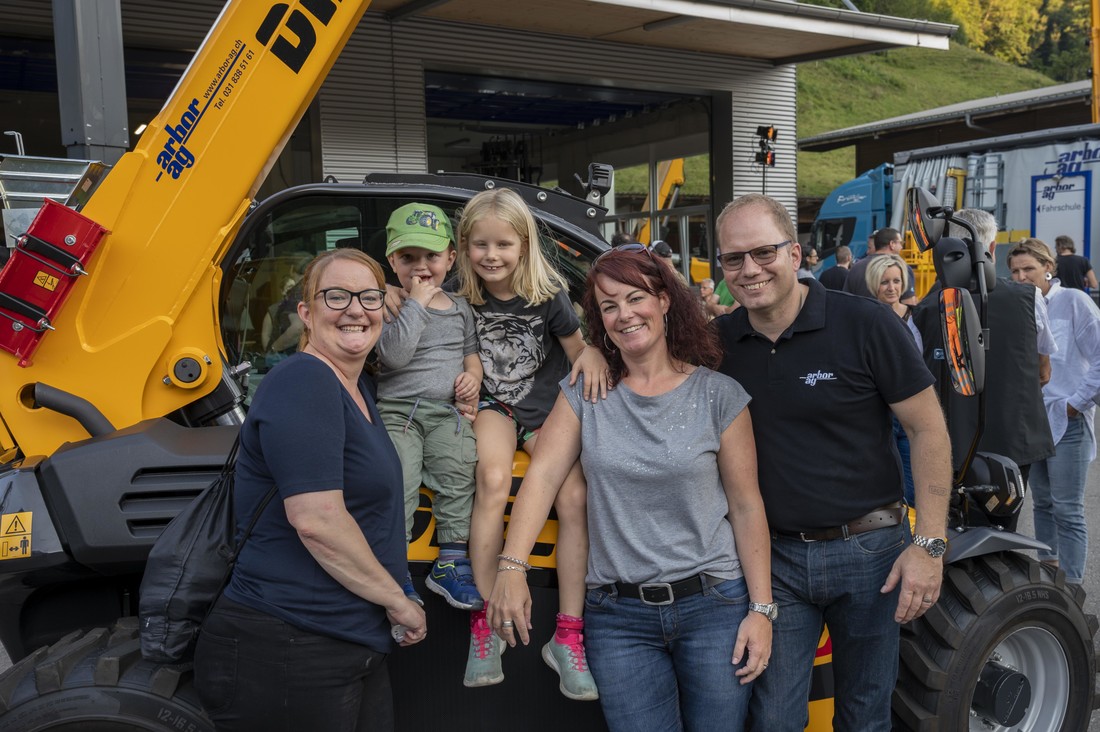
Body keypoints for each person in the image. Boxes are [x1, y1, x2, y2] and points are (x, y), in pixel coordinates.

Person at [488, 244, 773, 731]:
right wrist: (511, 567)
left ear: (664, 300)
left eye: (635, 298)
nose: (625, 315)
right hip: (617, 617)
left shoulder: (717, 395)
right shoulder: (584, 390)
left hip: (715, 606)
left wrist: (762, 610)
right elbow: (543, 477)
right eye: (609, 305)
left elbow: (747, 507)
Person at [713, 194, 951, 732]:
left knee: (864, 717)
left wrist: (930, 545)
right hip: (774, 563)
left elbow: (928, 428)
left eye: (763, 252)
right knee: (773, 719)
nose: (749, 269)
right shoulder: (719, 344)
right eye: (734, 259)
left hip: (872, 554)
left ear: (796, 254)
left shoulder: (865, 324)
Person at [194, 249, 427, 731]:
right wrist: (399, 602)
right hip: (290, 645)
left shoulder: (356, 389)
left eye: (369, 296)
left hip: (346, 641)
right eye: (336, 296)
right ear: (306, 311)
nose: (356, 309)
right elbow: (318, 522)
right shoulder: (304, 380)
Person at [456, 187, 602, 699]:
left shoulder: (548, 295)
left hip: (546, 411)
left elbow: (579, 352)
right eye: (480, 245)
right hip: (496, 407)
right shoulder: (461, 296)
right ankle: (484, 620)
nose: (491, 256)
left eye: (502, 245)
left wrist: (597, 357)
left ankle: (567, 633)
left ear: (523, 245)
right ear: (464, 246)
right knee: (492, 480)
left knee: (575, 496)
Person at [913, 209, 1055, 525]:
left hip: (949, 444)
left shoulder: (923, 307)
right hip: (1014, 439)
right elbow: (1044, 365)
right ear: (991, 249)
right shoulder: (1028, 297)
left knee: (949, 529)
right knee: (1004, 526)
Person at [375, 203, 483, 610]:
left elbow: (471, 355)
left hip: (444, 413)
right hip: (398, 411)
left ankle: (451, 564)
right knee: (398, 480)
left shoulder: (460, 308)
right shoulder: (390, 306)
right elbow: (395, 358)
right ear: (392, 261)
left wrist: (474, 378)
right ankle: (394, 573)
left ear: (451, 258)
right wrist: (414, 304)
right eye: (408, 257)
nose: (421, 266)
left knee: (458, 473)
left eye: (431, 256)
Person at [1007, 238, 1100, 586]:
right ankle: (1049, 577)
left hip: (1068, 421)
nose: (1021, 276)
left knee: (1068, 509)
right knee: (1042, 505)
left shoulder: (1074, 302)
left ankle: (1073, 587)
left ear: (1049, 267)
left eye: (1029, 268)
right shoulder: (1016, 306)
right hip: (1033, 422)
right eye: (1015, 271)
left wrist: (1077, 402)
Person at [866, 253, 922, 505]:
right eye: (885, 282)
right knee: (886, 488)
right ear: (873, 284)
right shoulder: (866, 319)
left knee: (912, 489)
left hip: (914, 411)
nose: (892, 288)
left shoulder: (919, 316)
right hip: (880, 414)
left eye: (896, 281)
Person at [844, 228, 917, 305]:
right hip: (889, 316)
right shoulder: (901, 268)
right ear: (892, 244)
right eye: (900, 243)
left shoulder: (856, 268)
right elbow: (908, 303)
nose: (902, 247)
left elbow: (846, 300)